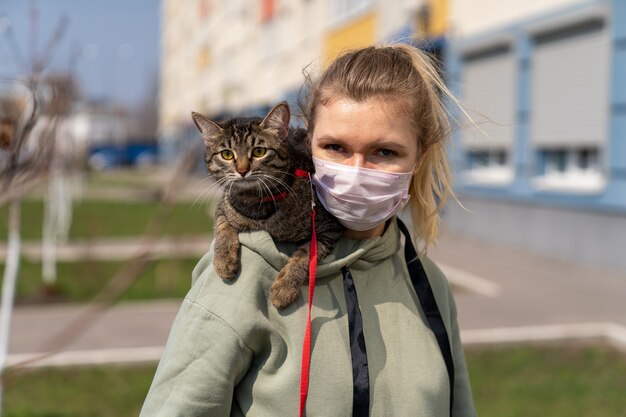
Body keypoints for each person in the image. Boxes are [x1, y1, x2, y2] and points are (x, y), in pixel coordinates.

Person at [140, 44, 477, 417]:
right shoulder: (243, 277)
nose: (357, 171)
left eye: (384, 152)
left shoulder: (429, 284)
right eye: (335, 147)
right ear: (306, 143)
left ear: (418, 157)